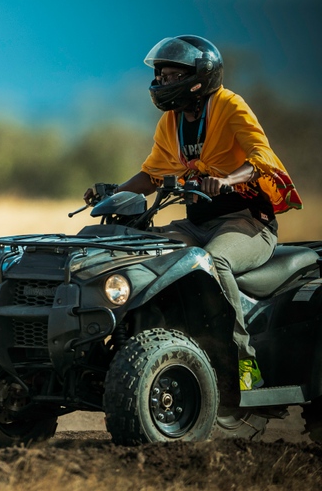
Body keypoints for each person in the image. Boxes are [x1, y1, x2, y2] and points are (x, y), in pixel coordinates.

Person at [85, 34, 302, 391]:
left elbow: (262, 157)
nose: (163, 84)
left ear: (200, 78)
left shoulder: (230, 106)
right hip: (196, 224)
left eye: (172, 77)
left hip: (248, 223)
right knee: (141, 251)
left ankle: (246, 362)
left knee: (212, 262)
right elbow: (153, 174)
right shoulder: (170, 123)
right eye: (161, 77)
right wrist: (113, 191)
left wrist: (228, 180)